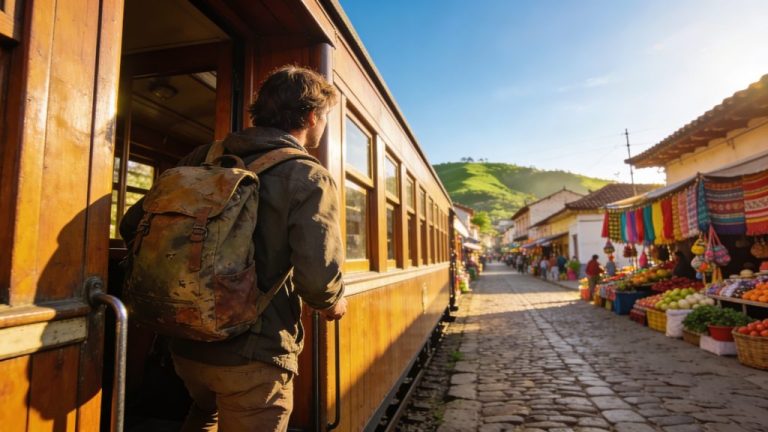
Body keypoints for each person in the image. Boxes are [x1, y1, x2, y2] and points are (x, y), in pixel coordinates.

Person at [121, 66, 347, 431]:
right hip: (253, 354)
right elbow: (318, 278)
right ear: (310, 116)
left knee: (203, 415)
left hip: (183, 342)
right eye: (324, 117)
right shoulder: (308, 176)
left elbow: (132, 225)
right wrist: (334, 302)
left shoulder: (201, 157)